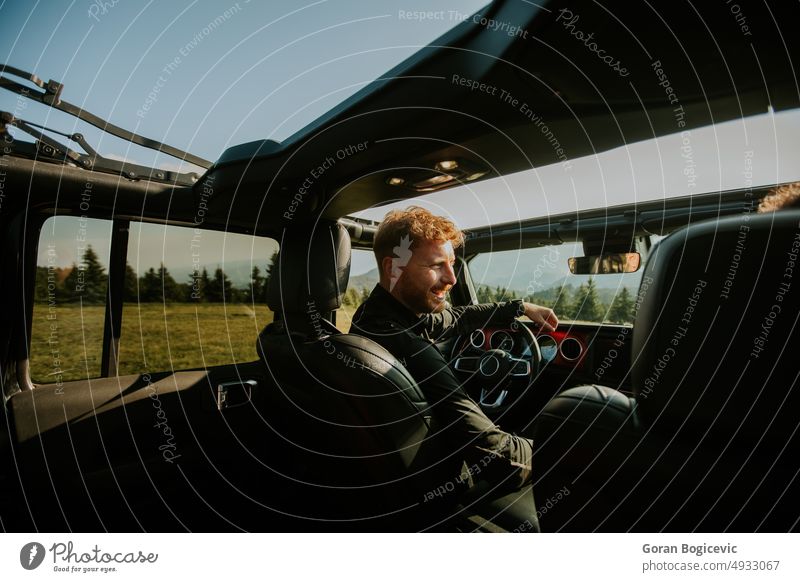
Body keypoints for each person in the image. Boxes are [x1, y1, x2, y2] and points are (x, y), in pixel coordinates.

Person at [350, 206, 559, 492]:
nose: (452, 279)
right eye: (437, 265)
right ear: (393, 268)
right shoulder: (411, 347)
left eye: (452, 263)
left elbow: (456, 318)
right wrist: (564, 448)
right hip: (443, 491)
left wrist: (520, 308)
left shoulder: (371, 317)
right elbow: (498, 458)